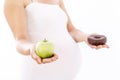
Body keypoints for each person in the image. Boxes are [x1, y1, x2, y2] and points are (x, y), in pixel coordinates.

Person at [4, 0, 109, 80]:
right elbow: (20, 40)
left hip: (68, 72)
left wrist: (86, 36)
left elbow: (71, 30)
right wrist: (32, 48)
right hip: (39, 71)